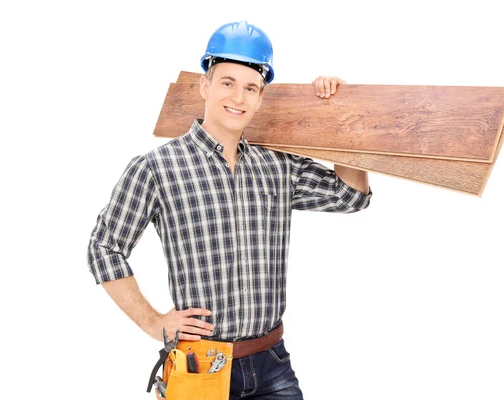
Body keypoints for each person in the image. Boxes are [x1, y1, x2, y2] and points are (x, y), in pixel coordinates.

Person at [87, 20, 372, 399]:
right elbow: (104, 247)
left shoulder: (277, 166)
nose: (238, 98)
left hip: (272, 364)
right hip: (200, 367)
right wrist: (154, 322)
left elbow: (349, 196)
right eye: (227, 83)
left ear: (260, 98)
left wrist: (339, 113)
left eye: (250, 88)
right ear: (205, 85)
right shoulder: (156, 168)